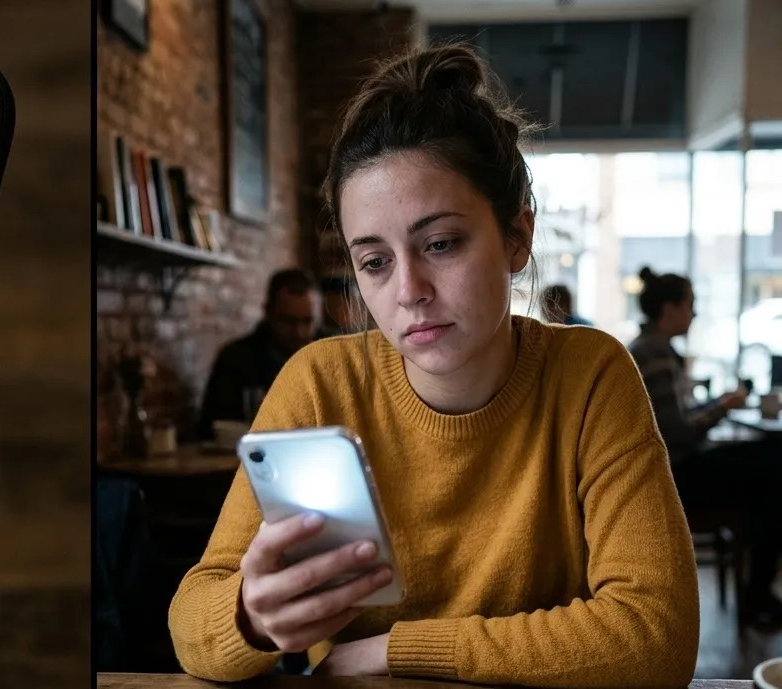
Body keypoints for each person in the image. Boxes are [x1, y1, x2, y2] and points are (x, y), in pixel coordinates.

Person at [168, 43, 697, 686]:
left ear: (517, 237)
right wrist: (250, 617)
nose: (408, 290)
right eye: (374, 261)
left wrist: (393, 649)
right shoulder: (320, 382)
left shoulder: (589, 377)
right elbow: (193, 625)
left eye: (440, 243)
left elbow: (655, 636)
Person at [627, 266, 782, 626]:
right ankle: (758, 593)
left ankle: (758, 592)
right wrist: (722, 407)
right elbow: (678, 433)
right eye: (690, 305)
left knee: (769, 473)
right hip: (675, 473)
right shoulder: (654, 354)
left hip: (675, 465)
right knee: (773, 470)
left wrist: (715, 407)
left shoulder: (655, 349)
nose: (694, 314)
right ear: (670, 309)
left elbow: (676, 419)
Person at [196, 269, 319, 440]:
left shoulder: (331, 350)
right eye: (289, 322)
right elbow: (212, 427)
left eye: (307, 321)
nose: (299, 332)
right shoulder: (236, 359)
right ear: (267, 312)